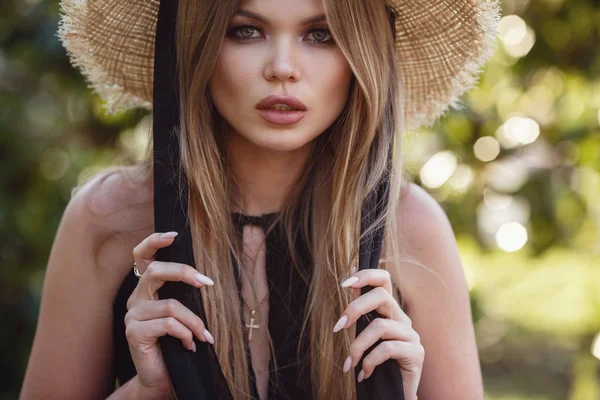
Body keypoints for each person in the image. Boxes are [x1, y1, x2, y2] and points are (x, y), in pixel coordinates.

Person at [20, 0, 501, 399]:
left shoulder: (411, 226)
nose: (283, 69)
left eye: (321, 35)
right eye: (246, 31)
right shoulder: (108, 219)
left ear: (364, 55)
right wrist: (148, 393)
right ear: (195, 44)